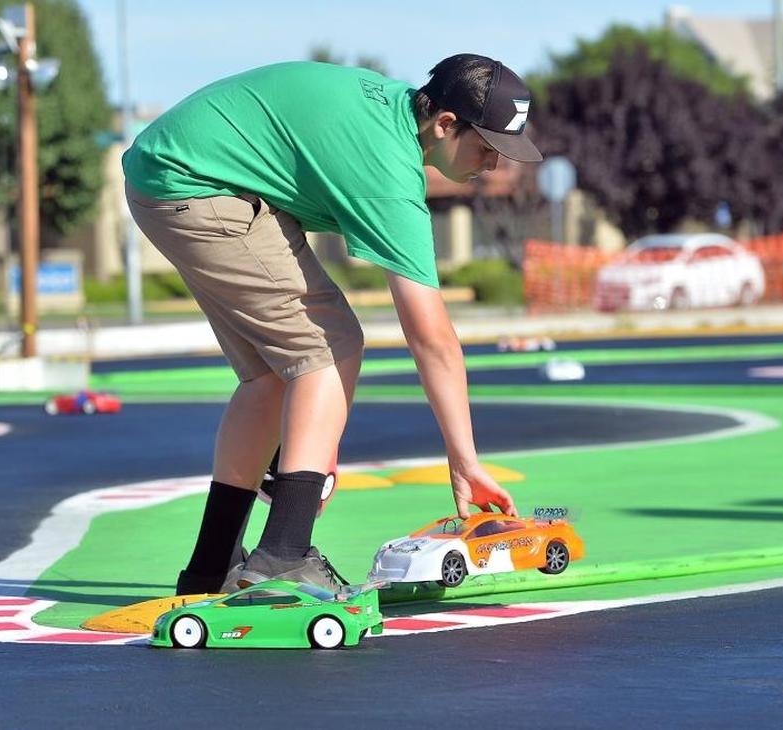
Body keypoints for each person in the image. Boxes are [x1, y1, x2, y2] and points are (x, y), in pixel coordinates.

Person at [122, 53, 541, 595]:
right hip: (197, 186)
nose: (493, 165)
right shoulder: (388, 169)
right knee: (331, 344)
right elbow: (431, 337)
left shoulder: (390, 110)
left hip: (171, 174)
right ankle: (282, 557)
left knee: (272, 376)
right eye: (487, 148)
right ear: (443, 124)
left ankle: (211, 566)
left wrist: (316, 438)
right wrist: (464, 463)